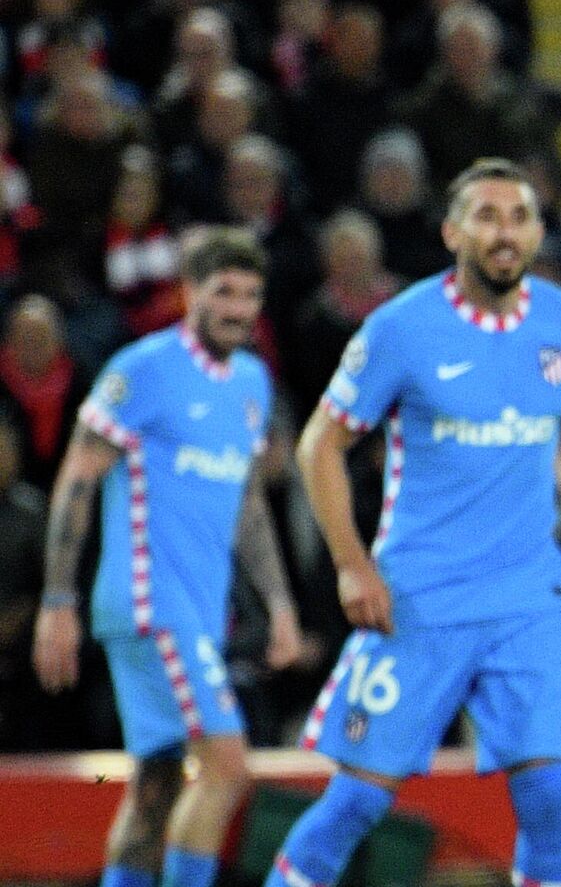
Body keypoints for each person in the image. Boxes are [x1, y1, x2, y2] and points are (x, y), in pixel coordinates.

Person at [264, 160, 561, 887]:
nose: (505, 233)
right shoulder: (401, 328)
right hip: (419, 601)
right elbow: (319, 446)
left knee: (550, 795)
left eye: (519, 217)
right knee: (357, 802)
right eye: (487, 217)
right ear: (452, 232)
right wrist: (351, 564)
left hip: (527, 598)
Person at [31, 228, 301, 887]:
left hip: (196, 609)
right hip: (151, 602)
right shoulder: (144, 368)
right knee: (227, 767)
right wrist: (57, 600)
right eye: (223, 292)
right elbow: (78, 476)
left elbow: (248, 506)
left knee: (155, 782)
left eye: (250, 295)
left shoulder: (250, 381)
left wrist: (281, 605)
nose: (238, 308)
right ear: (189, 294)